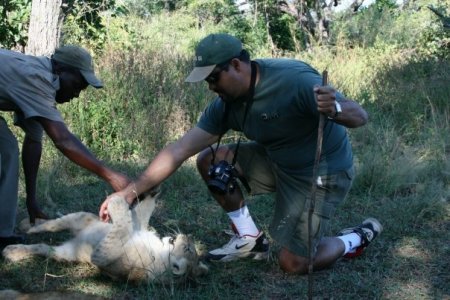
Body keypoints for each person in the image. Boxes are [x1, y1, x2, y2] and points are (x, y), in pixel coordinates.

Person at [99, 33, 382, 274]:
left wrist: (335, 108)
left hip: (321, 173)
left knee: (293, 263)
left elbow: (360, 117)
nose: (210, 88)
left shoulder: (294, 81)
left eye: (213, 78)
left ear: (236, 65)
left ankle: (354, 239)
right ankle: (249, 240)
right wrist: (129, 193)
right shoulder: (226, 102)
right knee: (210, 159)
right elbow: (179, 149)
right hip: (276, 163)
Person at [0, 45, 129, 248]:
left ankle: (3, 234)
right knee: (4, 152)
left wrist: (31, 201)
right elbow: (63, 140)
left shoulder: (41, 83)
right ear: (60, 70)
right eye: (77, 85)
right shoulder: (36, 80)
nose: (76, 94)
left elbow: (33, 141)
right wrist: (111, 175)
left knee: (7, 150)